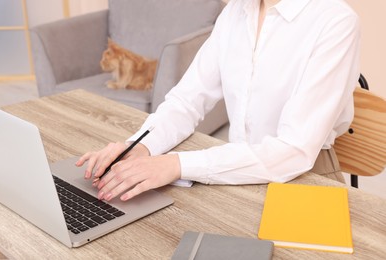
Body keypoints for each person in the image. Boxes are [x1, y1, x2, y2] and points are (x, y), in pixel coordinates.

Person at [76, 0, 360, 202]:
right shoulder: (234, 13)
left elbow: (293, 151)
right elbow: (185, 102)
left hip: (307, 176)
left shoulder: (335, 21)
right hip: (232, 170)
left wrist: (175, 164)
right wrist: (139, 146)